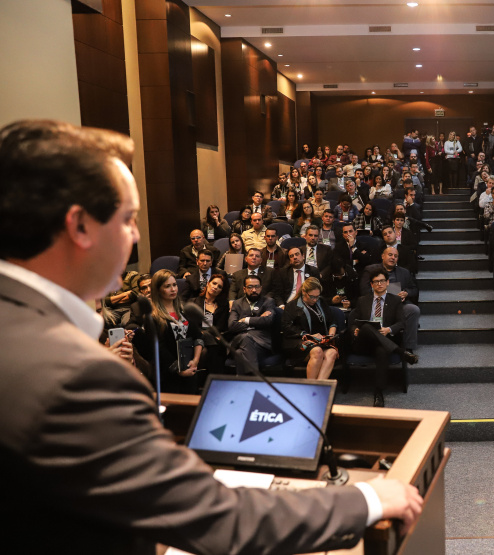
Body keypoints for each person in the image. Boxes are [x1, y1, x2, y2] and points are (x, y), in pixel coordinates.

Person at [0, 120, 422, 555]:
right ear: (80, 227)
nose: (136, 236)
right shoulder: (77, 376)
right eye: (128, 218)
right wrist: (365, 499)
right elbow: (216, 521)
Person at [348, 268, 419, 407]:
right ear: (371, 284)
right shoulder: (363, 300)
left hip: (384, 342)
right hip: (364, 342)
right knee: (367, 327)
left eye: (382, 281)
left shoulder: (396, 300)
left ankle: (378, 392)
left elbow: (401, 323)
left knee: (381, 351)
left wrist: (389, 329)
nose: (379, 284)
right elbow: (353, 321)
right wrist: (355, 329)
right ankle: (400, 352)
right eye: (376, 282)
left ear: (387, 282)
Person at [133, 269, 204, 394]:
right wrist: (178, 369)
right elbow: (158, 349)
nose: (173, 289)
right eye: (167, 286)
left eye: (174, 285)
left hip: (189, 368)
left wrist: (196, 360)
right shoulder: (152, 317)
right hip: (168, 374)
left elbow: (198, 337)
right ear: (158, 289)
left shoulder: (185, 310)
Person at [282, 276, 339, 380]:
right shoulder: (292, 306)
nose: (315, 299)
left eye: (317, 296)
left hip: (321, 341)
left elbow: (332, 322)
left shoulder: (321, 302)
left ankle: (318, 387)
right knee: (317, 351)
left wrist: (331, 335)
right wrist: (308, 336)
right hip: (299, 341)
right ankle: (311, 388)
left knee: (332, 353)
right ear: (304, 292)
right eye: (312, 296)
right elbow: (286, 327)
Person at [188, 272, 230, 375]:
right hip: (196, 336)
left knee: (208, 349)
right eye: (214, 283)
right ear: (208, 283)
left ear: (221, 291)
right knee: (215, 346)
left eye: (219, 287)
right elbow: (191, 324)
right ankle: (217, 379)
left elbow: (220, 326)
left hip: (212, 336)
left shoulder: (223, 305)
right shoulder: (193, 302)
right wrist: (201, 333)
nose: (216, 287)